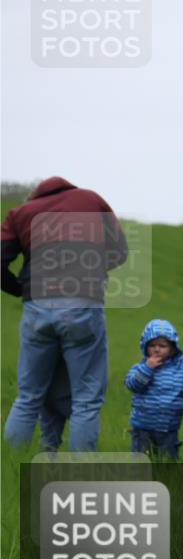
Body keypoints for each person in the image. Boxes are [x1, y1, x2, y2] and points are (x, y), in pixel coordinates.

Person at [2, 176, 128, 451]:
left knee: (28, 396)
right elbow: (120, 250)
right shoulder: (91, 200)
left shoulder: (21, 213)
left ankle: (9, 466)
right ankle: (80, 471)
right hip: (83, 304)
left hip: (37, 308)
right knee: (86, 399)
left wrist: (23, 290)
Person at [124, 320, 183, 459]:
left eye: (162, 346)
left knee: (168, 459)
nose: (157, 349)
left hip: (169, 426)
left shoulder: (180, 370)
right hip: (143, 426)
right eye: (152, 345)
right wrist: (147, 368)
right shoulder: (140, 367)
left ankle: (167, 478)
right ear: (145, 347)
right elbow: (132, 385)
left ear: (172, 349)